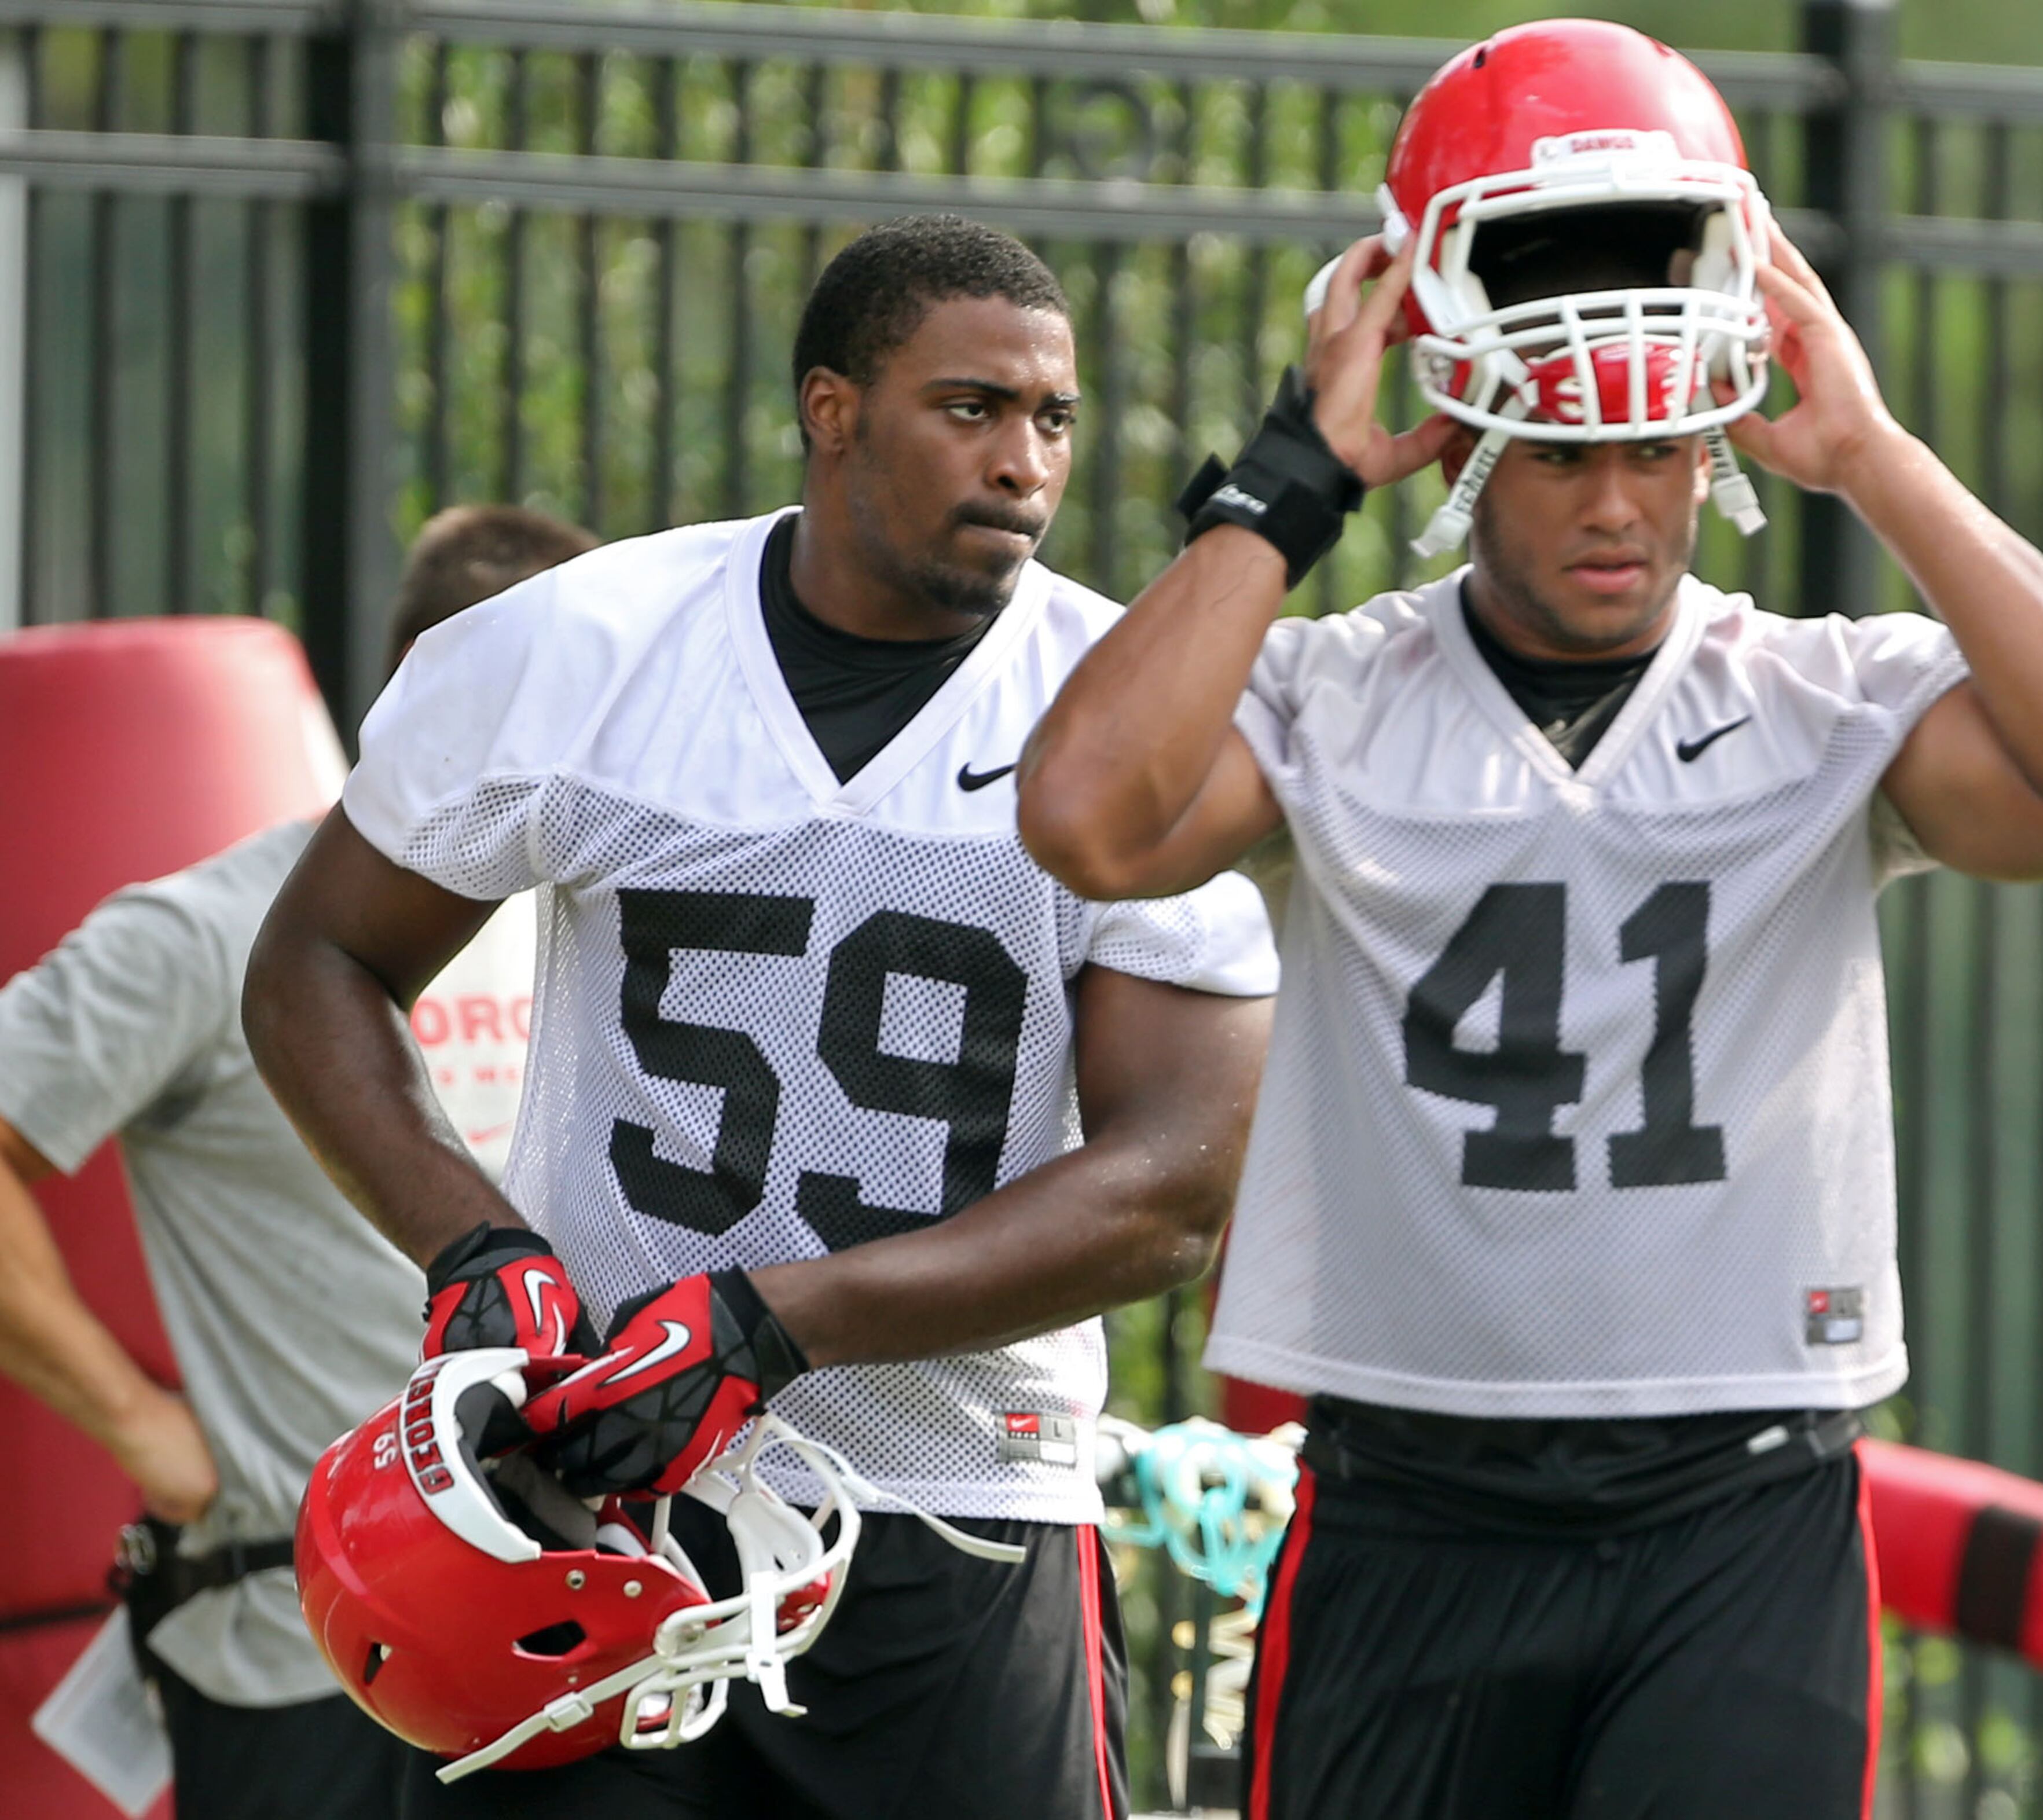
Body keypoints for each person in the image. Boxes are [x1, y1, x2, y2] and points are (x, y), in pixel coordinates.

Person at [1015, 22, 2043, 1819]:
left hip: (1740, 1501)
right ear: (1464, 439)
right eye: (1565, 454)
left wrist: (1873, 454)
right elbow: (1085, 820)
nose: (1620, 507)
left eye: (1655, 448)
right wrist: (1288, 484)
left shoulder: (1821, 700)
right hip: (1408, 1491)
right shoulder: (1339, 695)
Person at [241, 214, 1278, 1820]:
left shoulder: (1121, 715)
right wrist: (477, 1248)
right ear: (832, 410)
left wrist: (779, 1321)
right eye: (970, 407)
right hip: (602, 1508)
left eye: (1051, 419)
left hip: (959, 1505)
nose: (1022, 460)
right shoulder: (587, 647)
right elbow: (316, 965)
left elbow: (1171, 1193)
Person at [0, 503, 595, 1820]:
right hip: (306, 1653)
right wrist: (139, 1426)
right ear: (445, 693)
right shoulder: (218, 932)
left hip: (577, 1641)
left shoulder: (611, 934)